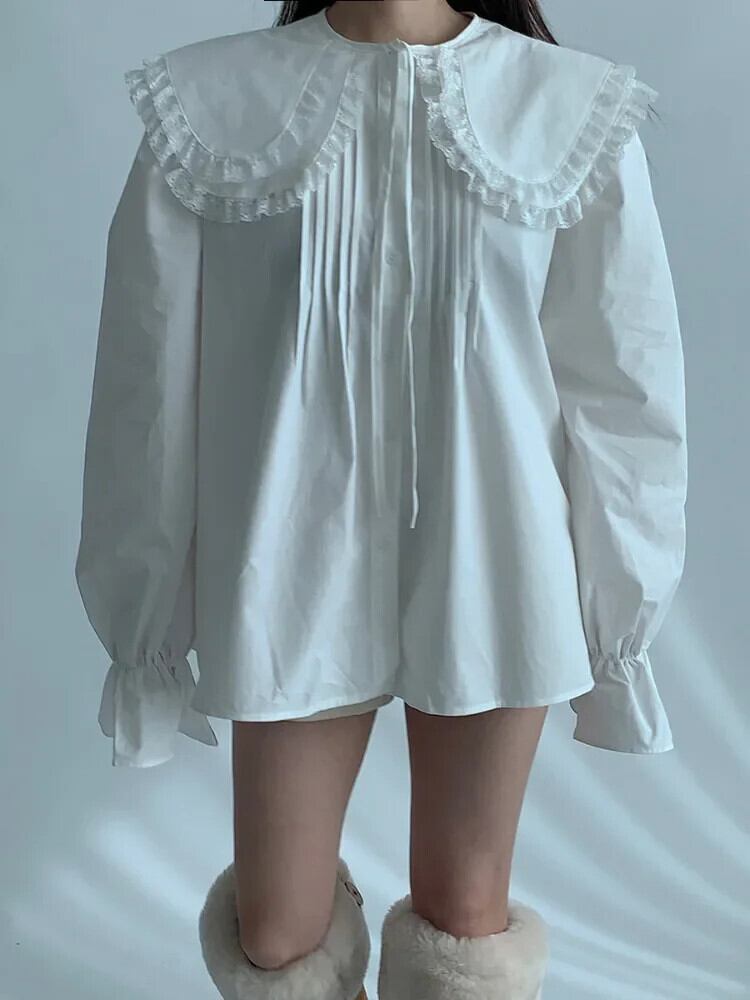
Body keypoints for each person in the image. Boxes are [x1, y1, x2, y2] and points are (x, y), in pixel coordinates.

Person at [74, 1, 688, 997]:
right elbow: (148, 387)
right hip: (286, 563)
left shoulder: (566, 107)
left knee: (464, 918)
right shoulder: (211, 104)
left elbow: (624, 389)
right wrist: (146, 621)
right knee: (277, 934)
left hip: (498, 561)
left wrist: (618, 608)